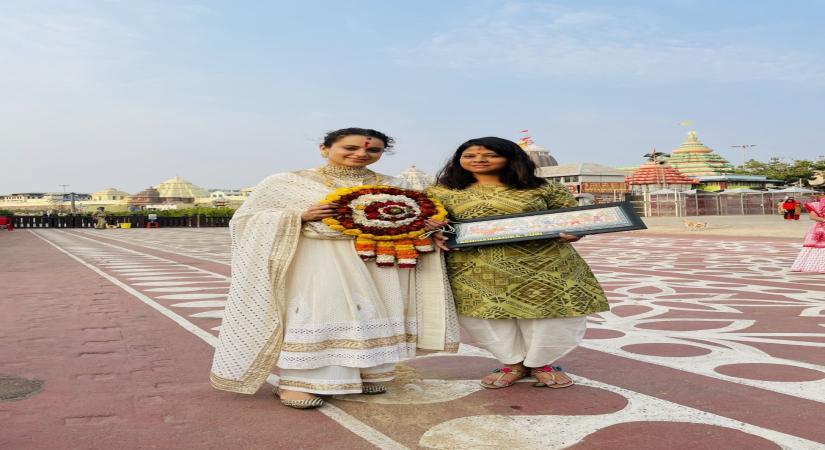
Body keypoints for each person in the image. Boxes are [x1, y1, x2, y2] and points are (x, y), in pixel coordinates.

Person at [210, 127, 459, 409]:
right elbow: (246, 221)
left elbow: (421, 218)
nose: (361, 154)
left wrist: (430, 228)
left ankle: (364, 374)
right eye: (350, 148)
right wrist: (299, 216)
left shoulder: (398, 185)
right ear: (324, 148)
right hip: (320, 259)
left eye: (372, 150)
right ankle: (297, 383)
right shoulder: (288, 182)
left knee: (373, 313)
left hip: (380, 262)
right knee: (322, 312)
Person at [427, 137, 609, 389]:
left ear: (510, 158)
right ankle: (512, 363)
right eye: (470, 155)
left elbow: (575, 218)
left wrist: (577, 231)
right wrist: (433, 229)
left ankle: (542, 363)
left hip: (545, 264)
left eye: (489, 155)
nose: (479, 160)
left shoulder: (542, 188)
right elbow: (429, 221)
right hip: (475, 267)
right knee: (486, 316)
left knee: (550, 315)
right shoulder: (440, 191)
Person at [791, 196, 825, 273]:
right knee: (815, 247)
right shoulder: (818, 205)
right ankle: (815, 266)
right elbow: (812, 216)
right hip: (820, 229)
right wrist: (823, 220)